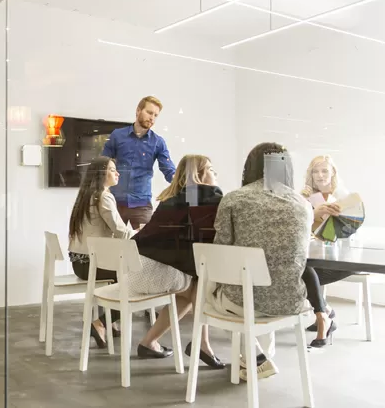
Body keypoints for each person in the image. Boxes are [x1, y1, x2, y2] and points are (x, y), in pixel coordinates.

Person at [207, 142, 313, 380]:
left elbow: (220, 252)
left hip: (243, 300)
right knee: (259, 290)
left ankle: (257, 359)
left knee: (215, 293)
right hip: (290, 300)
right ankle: (254, 362)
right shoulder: (304, 204)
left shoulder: (234, 199)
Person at [132, 154, 225, 368]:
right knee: (198, 288)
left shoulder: (173, 198)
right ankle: (202, 344)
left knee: (189, 292)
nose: (215, 173)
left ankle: (149, 342)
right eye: (210, 169)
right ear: (198, 174)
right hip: (151, 274)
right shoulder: (206, 194)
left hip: (134, 271)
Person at [69, 157, 136, 347]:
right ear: (101, 174)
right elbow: (121, 232)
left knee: (121, 276)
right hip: (91, 265)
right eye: (112, 169)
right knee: (134, 281)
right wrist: (141, 233)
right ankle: (100, 323)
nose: (117, 173)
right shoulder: (103, 196)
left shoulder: (86, 195)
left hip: (80, 263)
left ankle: (110, 321)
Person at [300, 155, 354, 345]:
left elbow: (345, 232)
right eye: (315, 171)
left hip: (342, 257)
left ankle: (324, 315)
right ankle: (325, 312)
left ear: (333, 173)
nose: (320, 175)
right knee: (298, 269)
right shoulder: (307, 196)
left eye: (324, 171)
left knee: (300, 273)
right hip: (316, 253)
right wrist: (302, 204)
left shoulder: (343, 198)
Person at [102, 96, 176, 228]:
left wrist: (182, 181)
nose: (152, 118)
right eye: (149, 112)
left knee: (145, 245)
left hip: (142, 204)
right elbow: (103, 164)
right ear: (138, 111)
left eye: (155, 115)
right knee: (110, 244)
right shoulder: (117, 136)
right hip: (115, 202)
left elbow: (169, 170)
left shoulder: (158, 142)